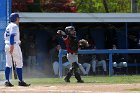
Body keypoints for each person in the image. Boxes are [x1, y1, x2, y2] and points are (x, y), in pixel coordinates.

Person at [4, 13, 30, 87]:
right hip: (14, 45)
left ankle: (7, 81)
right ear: (16, 18)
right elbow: (12, 36)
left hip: (7, 45)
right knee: (19, 63)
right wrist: (12, 46)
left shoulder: (8, 26)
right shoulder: (15, 26)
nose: (19, 19)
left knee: (8, 63)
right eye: (18, 18)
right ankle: (21, 81)